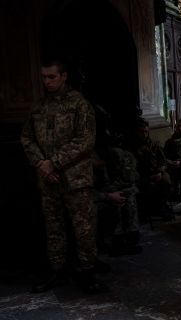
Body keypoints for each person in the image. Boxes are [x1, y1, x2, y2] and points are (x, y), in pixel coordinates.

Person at [21, 59, 98, 293]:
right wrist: (41, 165)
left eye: (51, 77)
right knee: (53, 228)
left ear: (63, 76)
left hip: (75, 180)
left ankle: (87, 273)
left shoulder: (79, 104)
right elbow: (26, 137)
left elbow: (85, 141)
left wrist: (53, 163)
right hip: (47, 179)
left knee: (83, 228)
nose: (47, 81)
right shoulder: (38, 106)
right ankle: (58, 271)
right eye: (44, 77)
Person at [93, 131, 142, 257]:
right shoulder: (92, 160)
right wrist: (109, 194)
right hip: (96, 196)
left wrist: (115, 191)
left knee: (127, 196)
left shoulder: (123, 156)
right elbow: (90, 190)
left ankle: (130, 235)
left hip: (112, 191)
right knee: (116, 201)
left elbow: (130, 179)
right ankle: (116, 240)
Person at [127, 118, 173, 222]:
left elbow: (163, 161)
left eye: (146, 132)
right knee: (146, 186)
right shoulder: (132, 147)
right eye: (141, 132)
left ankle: (161, 206)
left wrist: (160, 172)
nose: (144, 134)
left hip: (156, 173)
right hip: (141, 175)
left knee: (166, 181)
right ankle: (146, 210)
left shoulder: (155, 144)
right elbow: (130, 166)